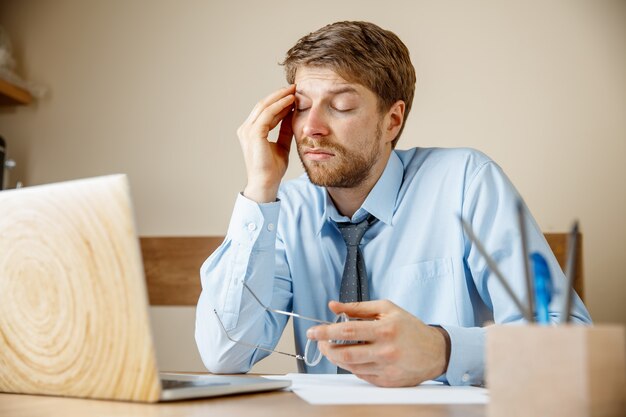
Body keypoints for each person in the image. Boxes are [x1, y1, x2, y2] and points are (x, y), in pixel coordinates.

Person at [195, 21, 591, 387]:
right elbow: (226, 354)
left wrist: (443, 350)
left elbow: (568, 343)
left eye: (342, 105)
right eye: (300, 106)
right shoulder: (287, 207)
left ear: (393, 120)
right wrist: (260, 188)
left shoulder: (467, 181)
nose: (311, 127)